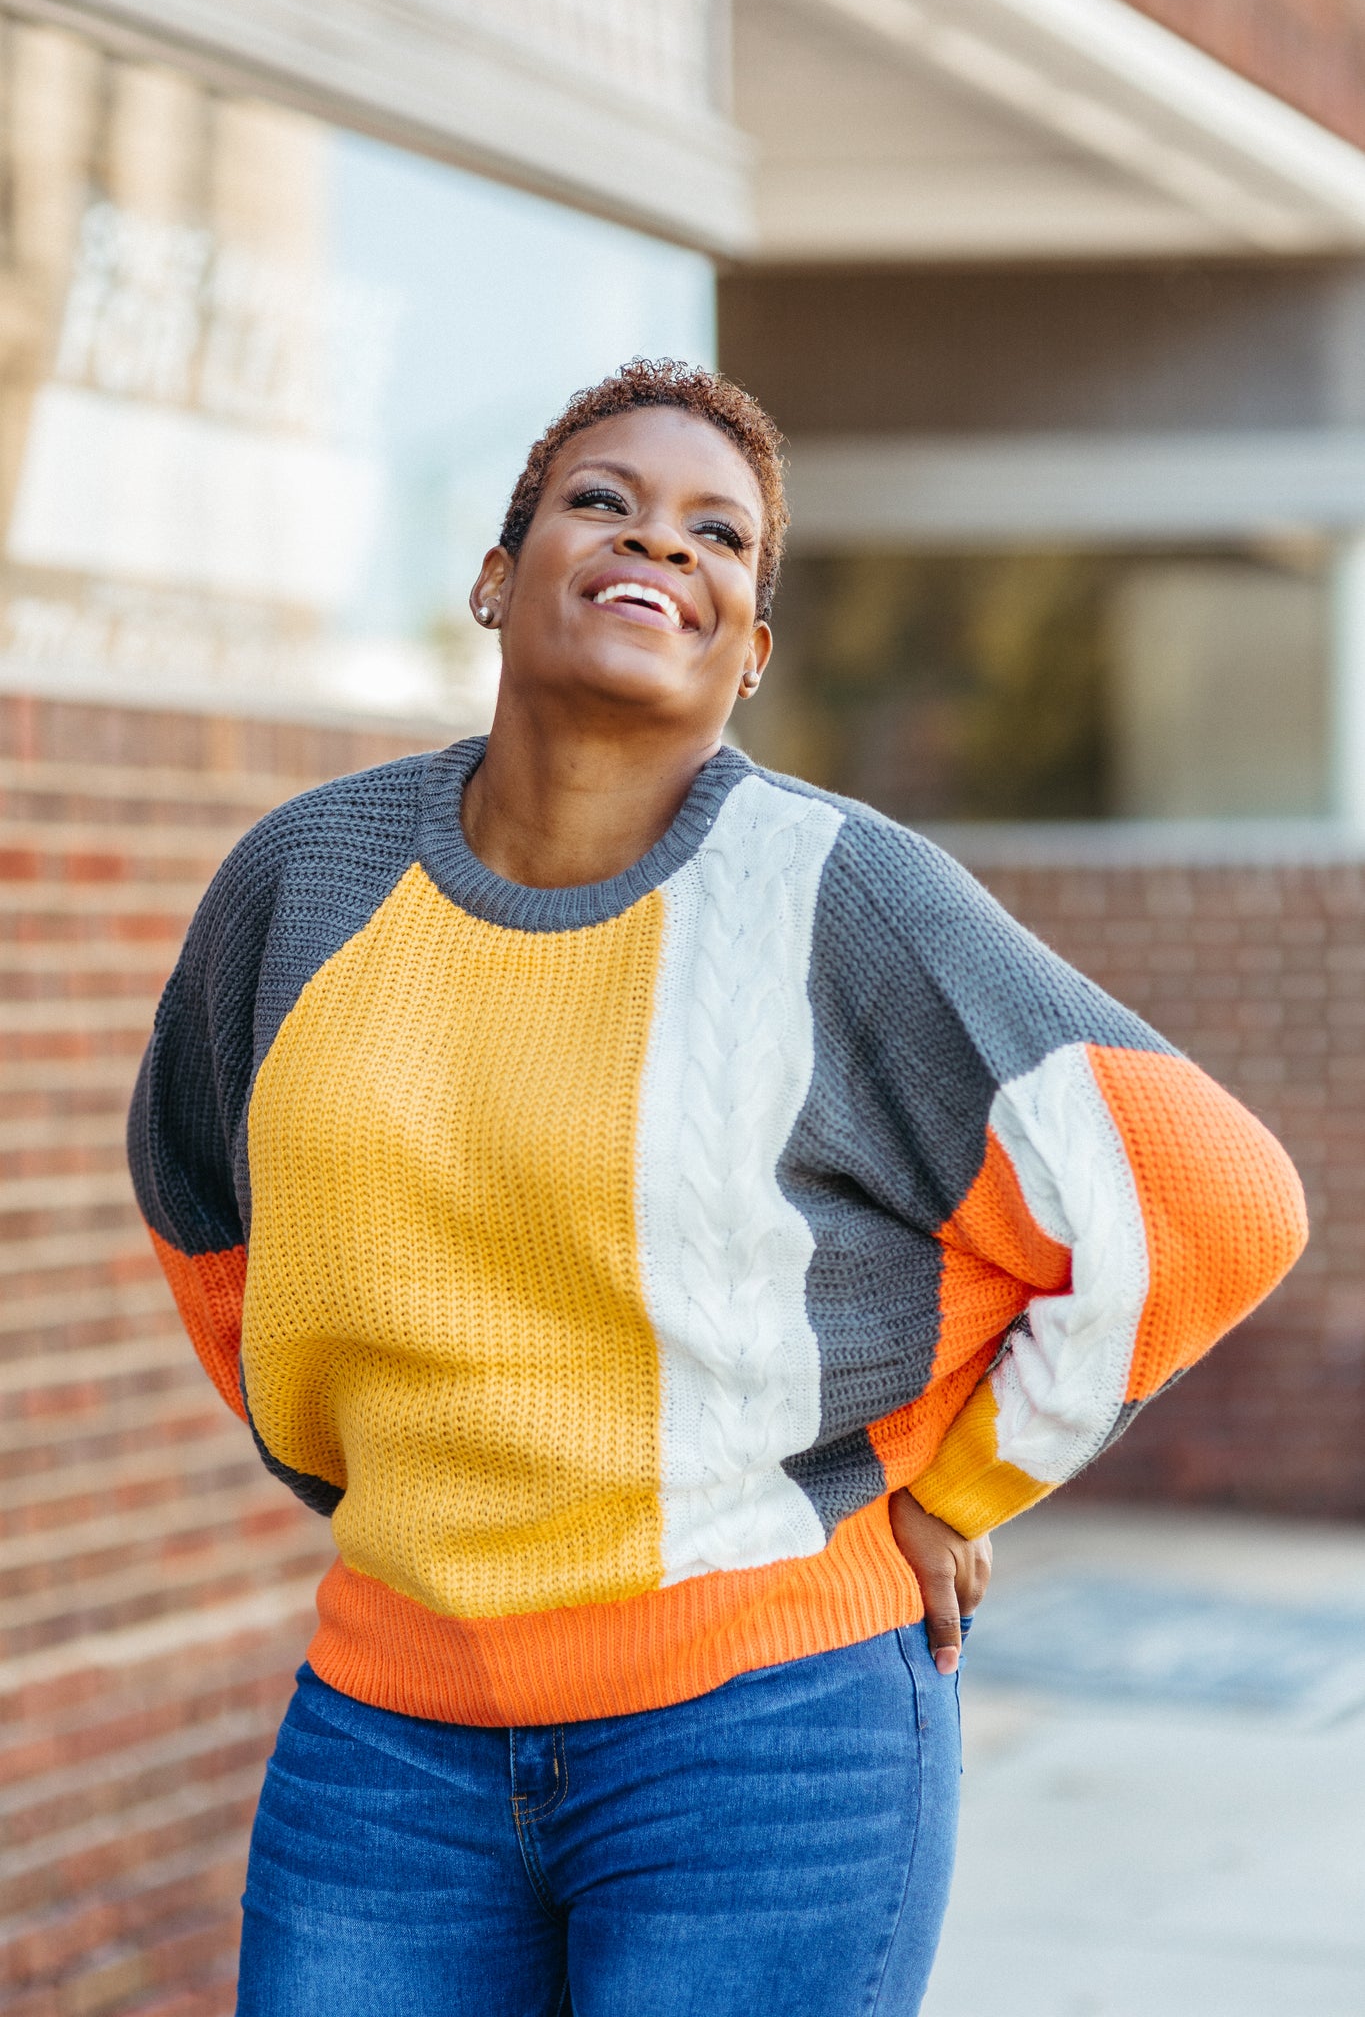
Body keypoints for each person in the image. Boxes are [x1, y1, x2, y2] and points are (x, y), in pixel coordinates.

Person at [128, 358, 1307, 2016]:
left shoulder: (840, 896)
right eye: (599, 501)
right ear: (494, 574)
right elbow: (204, 1208)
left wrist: (954, 1487)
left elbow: (1204, 1201)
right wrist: (379, 1478)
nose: (656, 544)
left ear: (749, 650)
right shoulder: (304, 880)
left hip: (766, 1740)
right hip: (384, 1739)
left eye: (718, 536)